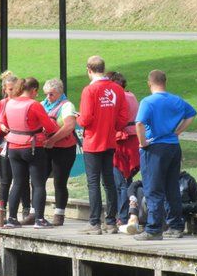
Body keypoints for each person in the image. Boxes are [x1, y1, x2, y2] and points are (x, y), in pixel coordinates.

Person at [134, 70, 197, 241]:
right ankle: (176, 226)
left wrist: (142, 142)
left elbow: (139, 123)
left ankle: (154, 228)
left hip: (154, 148)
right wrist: (178, 131)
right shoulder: (175, 100)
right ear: (165, 82)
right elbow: (191, 114)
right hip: (173, 147)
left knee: (153, 188)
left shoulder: (148, 102)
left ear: (149, 83)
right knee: (171, 187)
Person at [77, 56, 129, 234]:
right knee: (109, 182)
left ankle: (94, 222)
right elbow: (123, 117)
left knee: (93, 182)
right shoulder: (117, 89)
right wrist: (112, 127)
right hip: (110, 141)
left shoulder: (89, 91)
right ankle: (111, 222)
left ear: (89, 70)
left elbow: (85, 119)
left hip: (93, 141)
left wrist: (77, 118)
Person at [1, 77, 58, 229]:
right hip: (32, 146)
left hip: (13, 146)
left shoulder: (10, 103)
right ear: (33, 90)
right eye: (36, 92)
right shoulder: (34, 105)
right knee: (38, 184)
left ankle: (12, 218)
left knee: (18, 182)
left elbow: (4, 123)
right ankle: (39, 219)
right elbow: (50, 128)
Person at [0, 71, 31, 227]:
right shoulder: (0, 105)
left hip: (22, 145)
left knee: (23, 179)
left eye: (16, 88)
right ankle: (2, 210)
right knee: (6, 180)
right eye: (10, 89)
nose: (13, 92)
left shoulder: (25, 103)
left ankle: (26, 210)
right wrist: (0, 126)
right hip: (5, 145)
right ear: (4, 90)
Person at [42, 78, 78, 226]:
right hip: (46, 148)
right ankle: (35, 212)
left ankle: (59, 214)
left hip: (64, 149)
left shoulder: (67, 105)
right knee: (38, 180)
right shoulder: (42, 105)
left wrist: (53, 140)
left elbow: (69, 126)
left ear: (60, 92)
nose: (48, 97)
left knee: (59, 182)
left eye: (51, 94)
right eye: (46, 94)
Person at [120, 170, 197, 235]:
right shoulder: (160, 177)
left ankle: (140, 225)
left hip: (173, 218)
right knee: (140, 191)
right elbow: (135, 184)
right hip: (156, 213)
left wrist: (177, 207)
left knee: (148, 199)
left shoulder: (188, 180)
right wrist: (132, 199)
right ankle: (135, 220)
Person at [106, 71, 140, 225]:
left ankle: (122, 217)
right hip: (132, 142)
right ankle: (124, 215)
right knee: (126, 181)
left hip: (121, 142)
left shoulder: (118, 98)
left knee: (120, 184)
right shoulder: (131, 96)